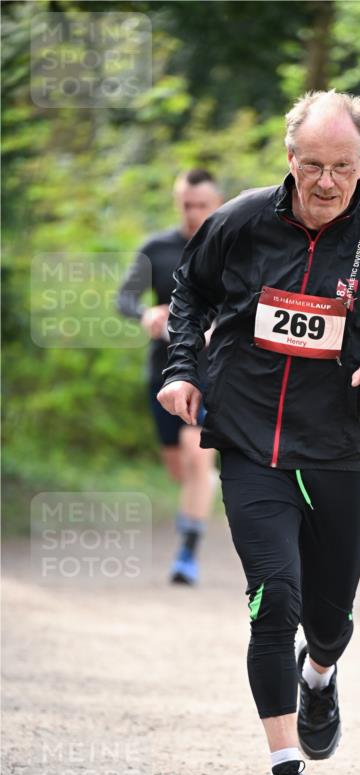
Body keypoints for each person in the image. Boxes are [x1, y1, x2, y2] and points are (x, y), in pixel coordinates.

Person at [158, 90, 360, 775]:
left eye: (342, 167)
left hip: (339, 448)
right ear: (289, 160)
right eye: (313, 165)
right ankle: (284, 772)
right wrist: (182, 371)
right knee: (273, 602)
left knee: (327, 619)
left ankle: (319, 674)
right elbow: (189, 294)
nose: (326, 182)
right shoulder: (239, 221)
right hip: (251, 440)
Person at [117, 168, 224, 582]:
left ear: (216, 205)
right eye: (187, 205)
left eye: (203, 205)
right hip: (162, 367)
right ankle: (203, 486)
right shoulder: (156, 248)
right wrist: (145, 313)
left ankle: (187, 555)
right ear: (177, 202)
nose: (194, 213)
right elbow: (124, 297)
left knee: (197, 456)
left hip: (211, 368)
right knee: (179, 467)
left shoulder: (231, 248)